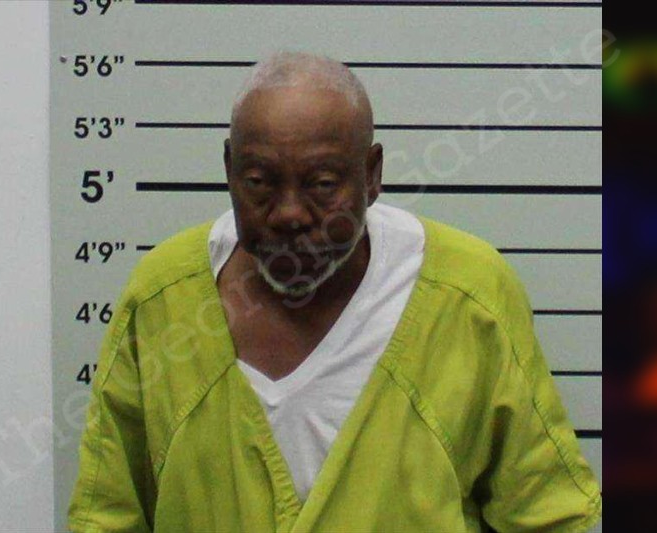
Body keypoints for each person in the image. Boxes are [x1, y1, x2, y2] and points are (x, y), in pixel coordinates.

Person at [68, 51, 602, 532]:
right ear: (229, 170)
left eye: (322, 184)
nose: (290, 214)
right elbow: (106, 515)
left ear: (371, 175)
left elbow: (548, 515)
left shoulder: (469, 297)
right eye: (259, 182)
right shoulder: (163, 300)